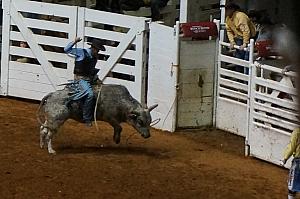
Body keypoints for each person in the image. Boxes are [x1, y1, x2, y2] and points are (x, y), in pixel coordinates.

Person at [64, 37, 106, 127]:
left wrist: (96, 78)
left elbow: (91, 69)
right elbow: (66, 49)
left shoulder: (94, 57)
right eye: (97, 50)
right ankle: (86, 117)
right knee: (90, 94)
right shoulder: (81, 52)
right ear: (93, 48)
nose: (98, 52)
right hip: (80, 78)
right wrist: (74, 41)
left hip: (89, 78)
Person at [225, 3, 256, 73]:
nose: (226, 11)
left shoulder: (240, 16)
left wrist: (245, 43)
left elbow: (245, 30)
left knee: (247, 59)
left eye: (227, 9)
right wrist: (232, 41)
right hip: (238, 38)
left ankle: (247, 78)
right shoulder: (228, 19)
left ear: (232, 9)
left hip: (249, 38)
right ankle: (240, 78)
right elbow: (229, 31)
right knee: (239, 58)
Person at [282, 128, 300, 199]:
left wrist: (285, 159)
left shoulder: (297, 132)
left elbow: (291, 148)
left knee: (292, 187)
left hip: (298, 163)